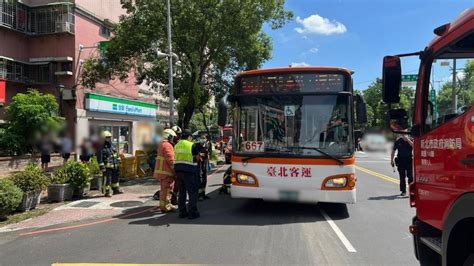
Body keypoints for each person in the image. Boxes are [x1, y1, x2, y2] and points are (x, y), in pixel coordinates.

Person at [174, 129, 201, 219]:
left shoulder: (176, 145)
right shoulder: (191, 145)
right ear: (189, 136)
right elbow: (197, 158)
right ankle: (192, 213)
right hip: (189, 171)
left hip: (178, 171)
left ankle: (182, 212)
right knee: (192, 192)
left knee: (182, 192)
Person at [153, 129, 177, 213]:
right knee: (167, 189)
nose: (173, 139)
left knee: (164, 189)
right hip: (167, 172)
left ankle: (165, 205)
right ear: (169, 136)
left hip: (162, 171)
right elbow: (171, 159)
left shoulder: (161, 144)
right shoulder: (167, 145)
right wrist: (175, 170)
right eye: (172, 137)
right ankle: (165, 206)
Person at [97, 131, 123, 197]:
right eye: (107, 137)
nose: (108, 139)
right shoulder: (101, 147)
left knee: (115, 178)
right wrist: (102, 166)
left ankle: (116, 190)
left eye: (109, 137)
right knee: (107, 179)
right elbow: (99, 158)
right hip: (107, 167)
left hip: (115, 165)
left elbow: (116, 154)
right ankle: (107, 192)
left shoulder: (112, 145)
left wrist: (119, 161)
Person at [170, 125, 182, 205]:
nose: (178, 136)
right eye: (177, 134)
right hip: (172, 165)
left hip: (177, 165)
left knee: (177, 182)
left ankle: (174, 198)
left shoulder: (178, 143)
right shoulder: (169, 144)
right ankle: (172, 198)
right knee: (172, 183)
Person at [198, 134, 211, 201]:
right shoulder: (197, 146)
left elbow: (207, 154)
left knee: (204, 179)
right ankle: (199, 195)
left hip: (205, 164)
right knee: (200, 179)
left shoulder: (207, 145)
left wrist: (208, 163)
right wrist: (200, 154)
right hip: (200, 164)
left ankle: (203, 194)